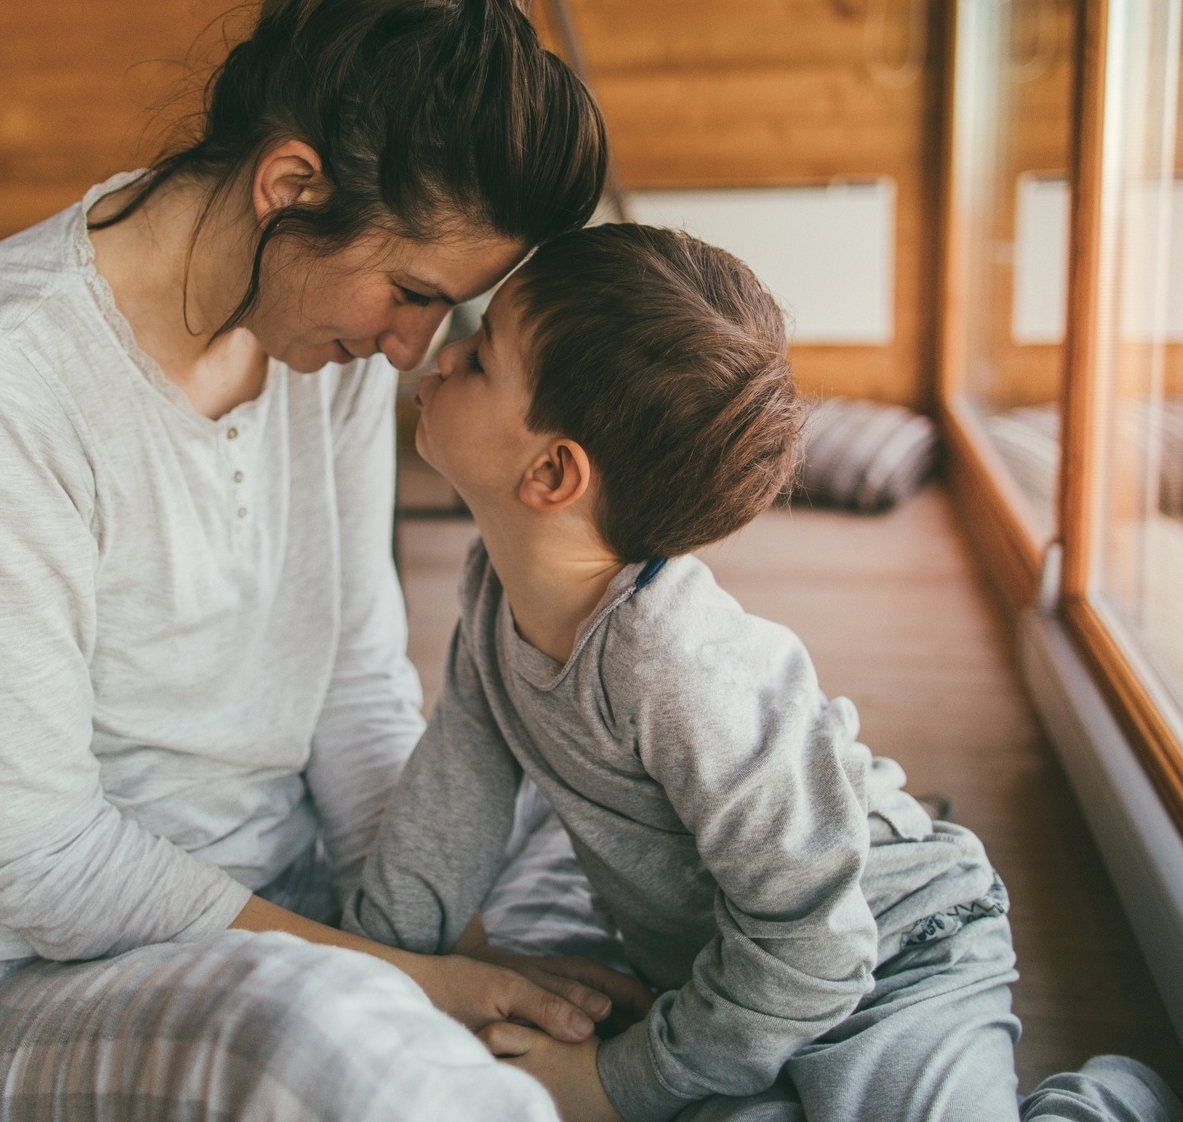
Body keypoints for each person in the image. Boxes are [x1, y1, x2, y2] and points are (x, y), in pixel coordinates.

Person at [0, 0, 643, 1121]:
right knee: (315, 1038)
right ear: (289, 189)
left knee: (614, 838)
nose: (416, 350)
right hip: (8, 988)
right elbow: (32, 857)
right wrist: (411, 981)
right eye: (414, 292)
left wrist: (458, 949)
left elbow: (353, 688)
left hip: (298, 906)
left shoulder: (315, 339)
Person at [345, 223, 1183, 1122]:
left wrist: (617, 1082)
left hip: (885, 956)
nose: (446, 347)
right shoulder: (494, 593)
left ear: (552, 472)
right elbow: (452, 799)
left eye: (481, 358)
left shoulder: (679, 666)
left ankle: (1114, 1102)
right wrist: (374, 971)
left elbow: (819, 946)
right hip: (725, 985)